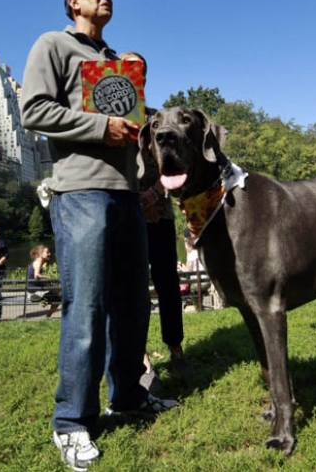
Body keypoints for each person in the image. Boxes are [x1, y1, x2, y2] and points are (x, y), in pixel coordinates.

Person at [20, 0, 176, 470]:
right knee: (85, 309)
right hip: (79, 192)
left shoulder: (118, 62)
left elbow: (130, 131)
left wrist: (147, 183)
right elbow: (33, 111)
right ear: (74, 3)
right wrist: (96, 126)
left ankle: (127, 395)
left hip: (126, 195)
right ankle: (71, 422)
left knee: (133, 303)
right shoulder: (52, 45)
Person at [121, 51, 190, 390]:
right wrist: (136, 200)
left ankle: (175, 347)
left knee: (167, 285)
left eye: (139, 69)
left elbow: (176, 163)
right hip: (126, 216)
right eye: (126, 66)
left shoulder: (158, 119)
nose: (134, 74)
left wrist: (155, 194)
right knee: (133, 290)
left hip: (160, 214)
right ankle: (141, 357)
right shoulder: (109, 118)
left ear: (144, 76)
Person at [27, 245, 59, 318]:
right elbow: (36, 275)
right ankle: (47, 315)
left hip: (33, 292)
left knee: (57, 294)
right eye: (47, 252)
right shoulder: (38, 262)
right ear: (40, 254)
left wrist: (48, 283)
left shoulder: (38, 262)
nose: (49, 254)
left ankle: (47, 313)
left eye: (49, 252)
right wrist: (47, 277)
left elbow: (38, 280)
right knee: (59, 297)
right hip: (35, 294)